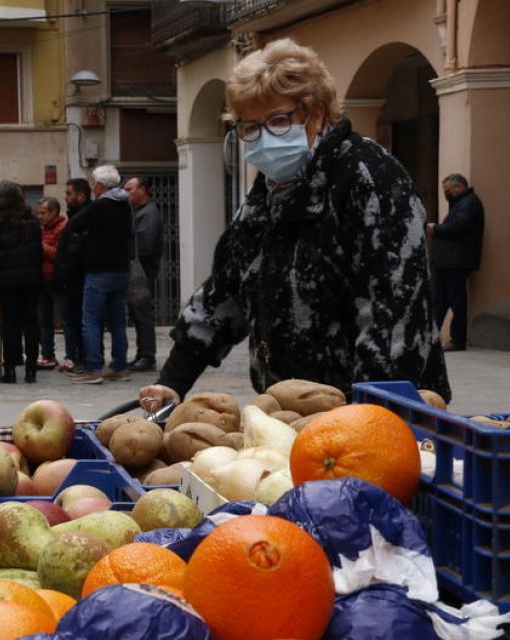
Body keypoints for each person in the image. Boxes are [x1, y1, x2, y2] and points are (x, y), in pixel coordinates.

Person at [137, 38, 451, 414]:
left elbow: (393, 317)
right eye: (250, 126)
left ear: (316, 114)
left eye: (279, 120)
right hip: (289, 409)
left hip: (375, 412)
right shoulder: (267, 195)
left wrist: (366, 421)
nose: (264, 137)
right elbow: (223, 296)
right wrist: (172, 381)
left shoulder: (370, 177)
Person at [71, 165, 133, 385]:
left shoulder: (100, 206)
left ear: (99, 185)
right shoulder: (124, 205)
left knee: (91, 320)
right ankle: (119, 367)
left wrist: (87, 236)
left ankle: (94, 368)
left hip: (99, 270)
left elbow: (75, 224)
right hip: (121, 269)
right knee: (117, 320)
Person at [0, 181, 45, 384]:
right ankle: (31, 370)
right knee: (31, 323)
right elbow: (39, 247)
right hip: (32, 278)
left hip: (7, 279)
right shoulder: (33, 220)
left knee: (10, 324)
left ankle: (10, 369)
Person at [429, 174, 484, 352]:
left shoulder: (468, 203)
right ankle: (430, 337)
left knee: (456, 301)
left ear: (459, 187)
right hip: (448, 262)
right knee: (441, 301)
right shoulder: (460, 204)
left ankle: (457, 339)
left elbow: (458, 227)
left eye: (449, 190)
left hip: (457, 262)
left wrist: (435, 228)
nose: (446, 194)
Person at [124, 176, 163, 372]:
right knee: (138, 313)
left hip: (142, 272)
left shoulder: (148, 213)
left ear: (142, 190)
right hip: (140, 271)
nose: (126, 193)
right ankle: (142, 354)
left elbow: (146, 245)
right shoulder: (139, 212)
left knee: (142, 313)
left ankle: (147, 356)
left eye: (129, 189)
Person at [55, 178, 91, 374]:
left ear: (81, 195)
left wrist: (64, 276)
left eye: (69, 193)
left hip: (77, 280)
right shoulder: (76, 217)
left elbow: (74, 252)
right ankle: (81, 357)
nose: (65, 197)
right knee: (75, 321)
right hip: (74, 280)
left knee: (80, 322)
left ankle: (86, 358)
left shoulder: (81, 219)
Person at [35, 196, 67, 371]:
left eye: (43, 212)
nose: (40, 216)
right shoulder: (40, 228)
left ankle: (71, 355)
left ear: (54, 212)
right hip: (42, 280)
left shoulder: (63, 228)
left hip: (58, 281)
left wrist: (39, 246)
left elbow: (58, 254)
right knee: (43, 321)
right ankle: (47, 355)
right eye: (38, 212)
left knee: (65, 320)